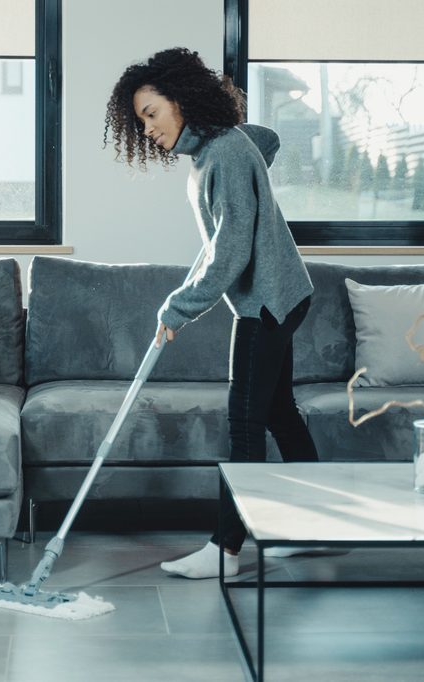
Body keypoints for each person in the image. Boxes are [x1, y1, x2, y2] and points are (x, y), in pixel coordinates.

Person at [104, 48, 320, 579]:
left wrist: (179, 308)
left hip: (267, 301)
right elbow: (266, 140)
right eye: (140, 121)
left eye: (151, 113)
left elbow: (231, 252)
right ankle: (313, 528)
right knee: (278, 413)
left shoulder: (222, 153)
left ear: (182, 100)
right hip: (284, 293)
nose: (148, 129)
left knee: (245, 422)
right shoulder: (218, 149)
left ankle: (225, 549)